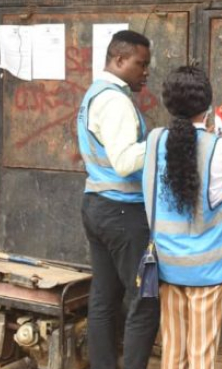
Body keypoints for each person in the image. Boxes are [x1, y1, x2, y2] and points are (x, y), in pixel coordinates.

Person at [142, 66, 222, 369]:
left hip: (168, 266)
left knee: (173, 352)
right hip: (208, 271)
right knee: (201, 355)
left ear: (168, 103)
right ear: (208, 104)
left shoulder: (155, 140)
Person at [77, 30, 159, 369]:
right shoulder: (115, 102)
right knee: (146, 298)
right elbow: (125, 162)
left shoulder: (95, 93)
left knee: (104, 298)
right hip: (123, 212)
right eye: (141, 64)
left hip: (98, 206)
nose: (146, 72)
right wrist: (160, 141)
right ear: (119, 59)